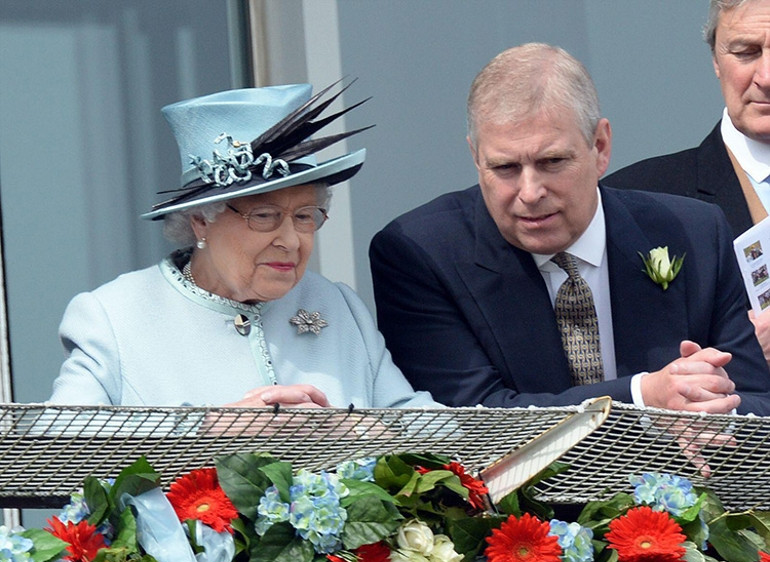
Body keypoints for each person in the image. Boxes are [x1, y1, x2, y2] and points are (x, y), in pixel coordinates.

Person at [369, 43, 770, 416]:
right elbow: (472, 419)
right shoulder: (420, 253)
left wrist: (710, 414)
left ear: (600, 147)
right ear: (476, 156)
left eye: (552, 162)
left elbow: (757, 399)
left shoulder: (695, 232)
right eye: (504, 168)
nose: (529, 192)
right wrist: (643, 398)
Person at [48, 82, 436, 410]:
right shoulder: (114, 316)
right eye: (265, 216)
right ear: (201, 219)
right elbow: (58, 449)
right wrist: (211, 430)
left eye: (305, 216)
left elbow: (423, 429)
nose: (289, 240)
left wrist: (346, 433)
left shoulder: (338, 306)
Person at [604, 0, 770, 366]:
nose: (766, 76)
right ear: (715, 58)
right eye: (746, 52)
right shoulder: (634, 202)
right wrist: (741, 351)